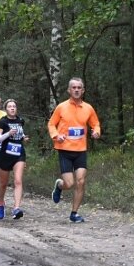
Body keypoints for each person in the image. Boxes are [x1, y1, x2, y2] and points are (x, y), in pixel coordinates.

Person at [47, 77, 101, 223]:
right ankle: (59, 185)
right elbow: (51, 124)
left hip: (80, 150)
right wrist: (56, 135)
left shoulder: (88, 108)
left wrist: (96, 131)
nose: (76, 90)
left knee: (81, 181)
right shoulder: (61, 107)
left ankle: (74, 213)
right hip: (64, 150)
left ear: (83, 90)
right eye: (74, 87)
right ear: (69, 90)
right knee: (69, 184)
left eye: (79, 88)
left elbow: (95, 124)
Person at [0, 99, 29, 220]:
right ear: (6, 109)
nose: (13, 108)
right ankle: (1, 204)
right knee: (3, 184)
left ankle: (16, 208)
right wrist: (8, 134)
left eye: (14, 106)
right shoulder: (2, 122)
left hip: (19, 154)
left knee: (18, 181)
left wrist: (23, 137)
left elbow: (20, 132)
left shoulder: (20, 120)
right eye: (10, 107)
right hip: (5, 155)